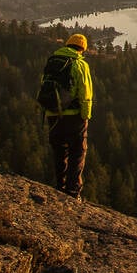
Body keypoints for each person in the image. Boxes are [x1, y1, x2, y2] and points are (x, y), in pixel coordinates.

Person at [43, 33, 94, 200]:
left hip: (53, 114)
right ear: (82, 49)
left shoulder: (53, 62)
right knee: (77, 152)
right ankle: (73, 192)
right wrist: (85, 115)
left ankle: (60, 185)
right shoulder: (80, 64)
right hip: (73, 116)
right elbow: (85, 93)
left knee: (59, 151)